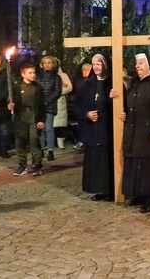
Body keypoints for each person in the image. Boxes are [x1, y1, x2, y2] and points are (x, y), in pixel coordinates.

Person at [118, 53, 150, 213]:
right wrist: (125, 113)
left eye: (141, 62)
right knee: (133, 161)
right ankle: (136, 194)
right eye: (136, 63)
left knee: (146, 164)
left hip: (148, 130)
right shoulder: (134, 84)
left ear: (149, 65)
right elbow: (129, 103)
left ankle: (148, 198)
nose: (137, 66)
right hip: (133, 128)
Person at [74, 54, 119, 201]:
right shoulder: (87, 85)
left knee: (108, 160)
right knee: (95, 160)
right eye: (94, 64)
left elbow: (122, 105)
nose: (96, 67)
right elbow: (77, 105)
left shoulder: (113, 83)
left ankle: (111, 190)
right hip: (93, 131)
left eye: (99, 64)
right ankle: (99, 190)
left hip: (108, 129)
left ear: (106, 65)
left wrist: (116, 97)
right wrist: (87, 114)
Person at [9, 64, 46, 176]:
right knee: (20, 142)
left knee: (34, 142)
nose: (33, 75)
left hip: (34, 117)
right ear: (23, 74)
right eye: (30, 73)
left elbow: (42, 106)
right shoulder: (17, 87)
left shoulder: (38, 88)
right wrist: (10, 106)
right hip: (21, 117)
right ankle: (22, 165)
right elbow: (11, 100)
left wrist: (41, 120)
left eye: (34, 72)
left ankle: (37, 165)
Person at [36, 56, 62, 162]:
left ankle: (50, 150)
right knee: (40, 128)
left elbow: (57, 92)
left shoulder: (57, 77)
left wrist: (47, 102)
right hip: (39, 105)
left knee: (49, 128)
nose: (47, 65)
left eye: (49, 63)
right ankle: (41, 149)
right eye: (45, 63)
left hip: (50, 105)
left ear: (53, 64)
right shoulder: (38, 76)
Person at [72, 63, 93, 150]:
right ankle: (81, 141)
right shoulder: (78, 81)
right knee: (81, 124)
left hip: (91, 105)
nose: (85, 71)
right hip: (82, 106)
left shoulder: (93, 81)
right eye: (84, 70)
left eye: (88, 69)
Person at [54, 60, 73, 149]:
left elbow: (69, 87)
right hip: (49, 101)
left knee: (60, 123)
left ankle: (60, 141)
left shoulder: (63, 75)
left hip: (60, 101)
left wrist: (58, 92)